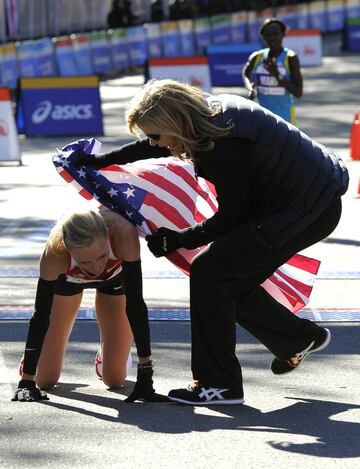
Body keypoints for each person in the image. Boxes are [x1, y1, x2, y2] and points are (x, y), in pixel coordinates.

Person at [75, 79, 349, 405]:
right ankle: (298, 339)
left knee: (209, 270)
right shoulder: (206, 117)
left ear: (174, 123)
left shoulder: (224, 144)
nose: (154, 143)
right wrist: (104, 161)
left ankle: (218, 384)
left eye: (155, 134)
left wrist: (180, 239)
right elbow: (158, 144)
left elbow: (233, 215)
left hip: (307, 208)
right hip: (304, 199)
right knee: (225, 279)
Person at [12, 208, 166, 402]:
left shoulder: (123, 233)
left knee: (115, 379)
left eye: (101, 256)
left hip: (114, 282)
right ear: (68, 249)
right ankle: (32, 360)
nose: (96, 267)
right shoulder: (55, 253)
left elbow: (136, 305)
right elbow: (40, 316)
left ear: (107, 236)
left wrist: (146, 369)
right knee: (45, 380)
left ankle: (107, 353)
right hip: (68, 283)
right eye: (85, 261)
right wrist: (27, 379)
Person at [242, 18, 303, 124]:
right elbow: (245, 73)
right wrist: (250, 88)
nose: (272, 38)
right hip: (263, 118)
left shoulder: (290, 58)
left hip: (286, 119)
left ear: (283, 34)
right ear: (263, 37)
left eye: (276, 34)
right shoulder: (257, 57)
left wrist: (276, 74)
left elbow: (298, 92)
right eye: (268, 35)